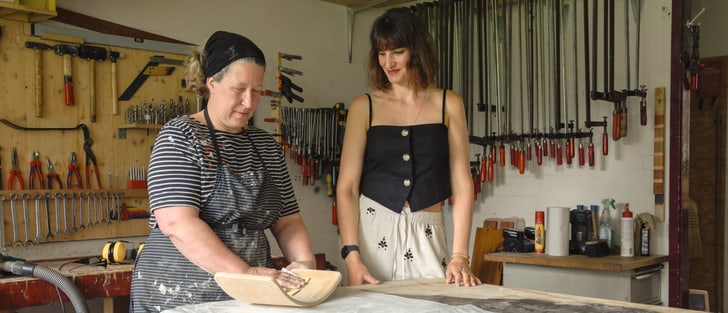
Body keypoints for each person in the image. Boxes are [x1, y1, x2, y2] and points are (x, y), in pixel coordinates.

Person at [130, 31, 315, 312]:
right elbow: (178, 223)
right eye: (239, 89)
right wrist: (244, 273)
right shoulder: (180, 136)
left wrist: (304, 264)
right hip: (177, 295)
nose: (249, 102)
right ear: (212, 83)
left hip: (248, 296)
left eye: (257, 91)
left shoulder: (265, 146)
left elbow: (287, 220)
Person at [336, 8, 481, 287]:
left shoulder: (448, 103)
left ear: (416, 50)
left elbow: (462, 183)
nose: (388, 62)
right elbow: (347, 188)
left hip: (428, 230)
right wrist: (351, 255)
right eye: (381, 53)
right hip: (372, 229)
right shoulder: (363, 106)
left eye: (397, 52)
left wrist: (460, 254)